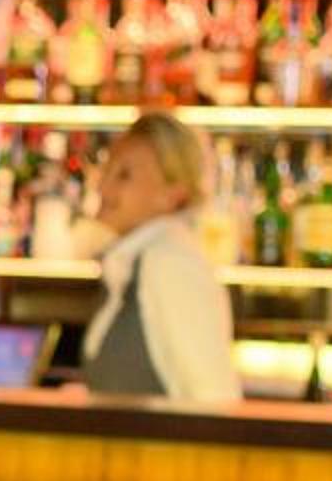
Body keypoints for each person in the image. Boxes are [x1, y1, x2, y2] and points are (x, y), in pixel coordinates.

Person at [81, 110, 240, 403]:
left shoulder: (170, 261)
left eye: (124, 175)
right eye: (106, 170)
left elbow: (215, 402)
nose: (102, 187)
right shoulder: (139, 260)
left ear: (173, 192)